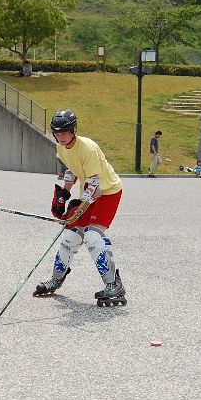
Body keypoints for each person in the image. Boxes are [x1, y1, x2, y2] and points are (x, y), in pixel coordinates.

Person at [34, 109, 126, 307]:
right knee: (71, 236)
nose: (61, 137)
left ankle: (114, 284)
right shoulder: (61, 147)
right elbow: (71, 169)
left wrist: (76, 208)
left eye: (65, 132)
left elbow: (94, 187)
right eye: (57, 133)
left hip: (108, 192)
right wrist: (63, 195)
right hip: (92, 193)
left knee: (93, 236)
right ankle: (56, 278)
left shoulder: (88, 148)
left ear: (73, 130)